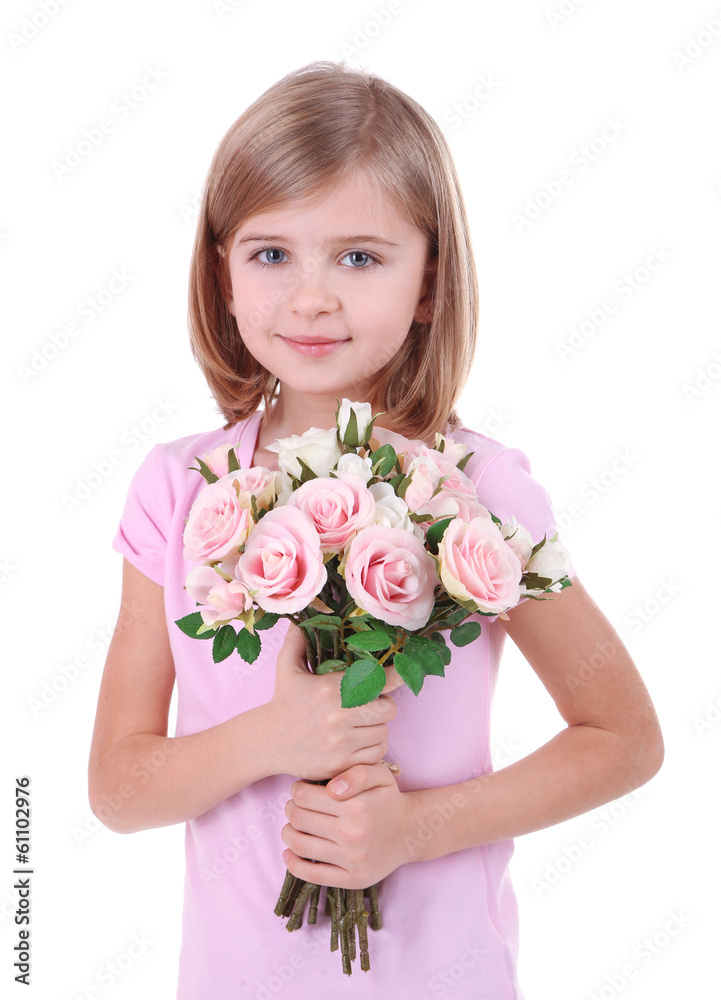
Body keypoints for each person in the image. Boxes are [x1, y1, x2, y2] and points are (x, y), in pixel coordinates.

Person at [88, 60, 664, 999]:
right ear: (221, 275)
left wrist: (413, 831)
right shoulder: (179, 489)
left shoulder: (478, 491)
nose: (311, 298)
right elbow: (117, 788)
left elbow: (624, 737)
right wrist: (275, 738)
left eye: (358, 257)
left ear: (428, 283)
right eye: (271, 254)